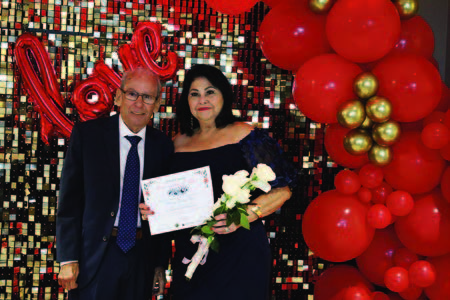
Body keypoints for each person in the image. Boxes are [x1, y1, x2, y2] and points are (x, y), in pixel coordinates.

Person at [140, 64, 297, 299]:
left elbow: (283, 191)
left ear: (224, 95)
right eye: (195, 94)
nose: (202, 99)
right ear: (187, 101)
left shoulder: (246, 135)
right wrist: (154, 210)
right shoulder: (175, 144)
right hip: (190, 254)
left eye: (210, 92)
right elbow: (167, 202)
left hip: (240, 253)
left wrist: (243, 216)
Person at [56, 67, 174, 300]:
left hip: (141, 256)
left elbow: (164, 212)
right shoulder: (88, 136)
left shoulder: (163, 146)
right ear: (118, 96)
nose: (138, 103)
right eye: (132, 94)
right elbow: (69, 201)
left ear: (157, 104)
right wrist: (68, 258)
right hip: (96, 254)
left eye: (147, 97)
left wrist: (160, 264)